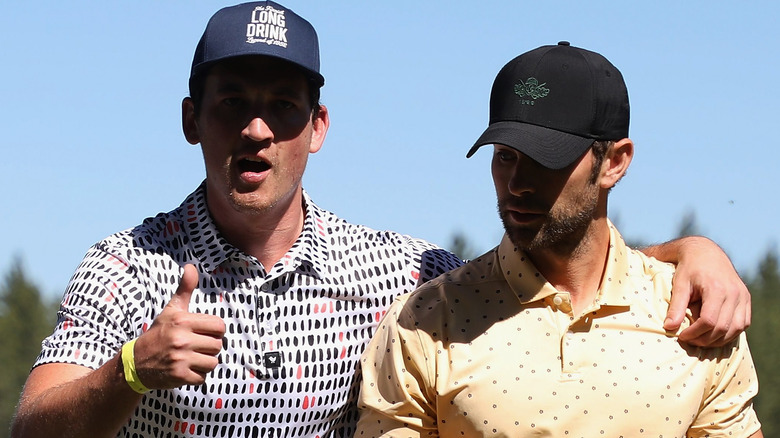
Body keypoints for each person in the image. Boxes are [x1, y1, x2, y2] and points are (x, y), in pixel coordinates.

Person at [10, 2, 750, 436]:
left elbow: (547, 265)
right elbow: (32, 426)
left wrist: (689, 252)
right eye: (232, 102)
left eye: (283, 108)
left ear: (319, 125)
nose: (258, 129)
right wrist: (134, 370)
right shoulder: (126, 265)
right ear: (190, 120)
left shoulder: (397, 272)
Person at [356, 42, 762, 437]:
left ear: (615, 163)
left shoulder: (694, 316)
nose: (517, 184)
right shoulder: (425, 322)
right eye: (505, 156)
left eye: (546, 159)